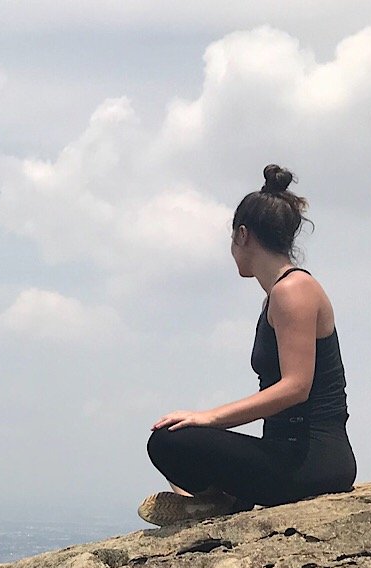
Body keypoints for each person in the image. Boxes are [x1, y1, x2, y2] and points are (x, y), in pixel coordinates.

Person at [140, 165, 356, 526]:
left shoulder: (293, 290)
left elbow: (296, 387)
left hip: (313, 460)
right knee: (171, 437)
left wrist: (209, 418)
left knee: (170, 441)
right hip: (284, 453)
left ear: (243, 235)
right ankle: (216, 501)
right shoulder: (277, 295)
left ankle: (214, 501)